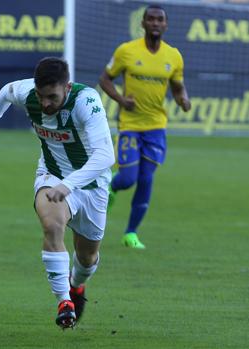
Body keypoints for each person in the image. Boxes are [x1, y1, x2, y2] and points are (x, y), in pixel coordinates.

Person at [0, 57, 115, 329]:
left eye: (52, 97)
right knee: (52, 226)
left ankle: (76, 286)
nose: (45, 104)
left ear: (68, 86)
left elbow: (105, 155)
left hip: (91, 184)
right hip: (51, 175)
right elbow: (6, 92)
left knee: (87, 258)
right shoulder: (29, 92)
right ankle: (64, 302)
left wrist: (68, 185)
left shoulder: (86, 102)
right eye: (41, 97)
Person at [99, 5, 191, 249]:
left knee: (146, 179)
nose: (155, 23)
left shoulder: (174, 56)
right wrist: (120, 100)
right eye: (151, 19)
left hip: (156, 127)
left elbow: (178, 86)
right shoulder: (127, 51)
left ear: (166, 25)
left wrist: (183, 99)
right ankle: (111, 186)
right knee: (128, 178)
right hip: (129, 125)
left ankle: (130, 233)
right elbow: (105, 78)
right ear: (143, 24)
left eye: (160, 20)